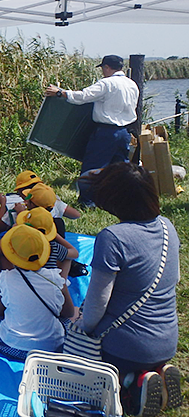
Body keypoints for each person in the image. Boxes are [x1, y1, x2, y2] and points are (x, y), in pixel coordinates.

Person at [77, 163, 180, 416]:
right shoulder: (168, 226)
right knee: (139, 357)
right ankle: (154, 371)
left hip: (125, 347)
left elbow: (96, 304)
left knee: (78, 352)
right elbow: (174, 278)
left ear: (114, 200)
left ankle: (129, 384)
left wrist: (82, 327)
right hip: (167, 341)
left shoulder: (113, 237)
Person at [45, 54, 139, 206]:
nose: (103, 71)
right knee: (121, 169)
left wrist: (60, 92)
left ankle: (88, 202)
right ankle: (123, 201)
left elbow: (83, 96)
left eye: (103, 68)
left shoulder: (106, 84)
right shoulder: (132, 84)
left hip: (106, 132)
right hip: (124, 133)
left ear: (107, 67)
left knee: (93, 168)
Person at [0, 225, 75, 361]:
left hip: (10, 346)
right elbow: (69, 313)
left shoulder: (5, 277)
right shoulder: (56, 278)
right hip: (50, 349)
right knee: (77, 312)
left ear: (11, 254)